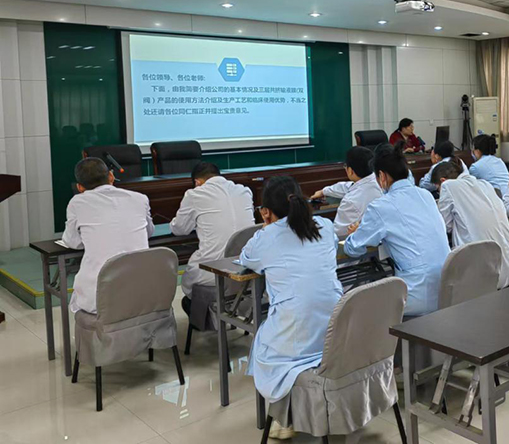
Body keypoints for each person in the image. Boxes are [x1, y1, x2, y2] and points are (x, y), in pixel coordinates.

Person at [240, 176, 343, 440]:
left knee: (265, 346)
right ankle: (295, 410)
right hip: (336, 331)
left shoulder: (267, 236)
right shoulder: (324, 225)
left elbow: (246, 258)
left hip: (296, 332)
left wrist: (266, 226)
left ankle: (286, 416)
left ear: (265, 211)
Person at [344, 143, 449, 316]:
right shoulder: (425, 195)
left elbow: (353, 248)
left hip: (417, 293)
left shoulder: (381, 206)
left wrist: (355, 233)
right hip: (447, 288)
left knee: (360, 306)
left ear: (382, 176)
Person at [62, 157, 154, 314]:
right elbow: (148, 232)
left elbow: (73, 242)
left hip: (100, 295)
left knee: (79, 302)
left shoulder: (77, 202)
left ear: (80, 187)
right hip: (142, 291)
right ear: (111, 176)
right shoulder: (140, 198)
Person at [171, 162, 255, 311]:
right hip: (247, 267)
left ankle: (207, 315)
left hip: (213, 271)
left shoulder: (195, 194)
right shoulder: (244, 191)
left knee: (188, 281)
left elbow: (179, 229)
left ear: (197, 182)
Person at [432, 158, 509, 287]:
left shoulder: (448, 186)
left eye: (437, 189)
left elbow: (444, 226)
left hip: (483, 276)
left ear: (443, 181)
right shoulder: (485, 184)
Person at [310, 146, 383, 239]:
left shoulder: (351, 201)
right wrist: (323, 191)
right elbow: (347, 186)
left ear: (350, 170)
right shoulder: (379, 182)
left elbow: (338, 233)